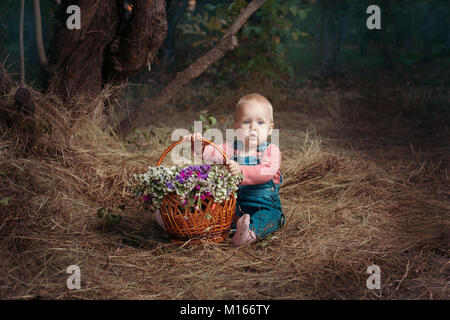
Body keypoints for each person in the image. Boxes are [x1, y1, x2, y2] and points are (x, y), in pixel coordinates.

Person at [185, 93, 285, 246]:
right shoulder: (231, 148)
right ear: (236, 127)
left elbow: (265, 172)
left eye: (260, 122)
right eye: (246, 122)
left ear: (270, 129)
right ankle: (184, 218)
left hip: (264, 204)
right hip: (235, 205)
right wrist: (199, 145)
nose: (253, 128)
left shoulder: (271, 150)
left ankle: (249, 234)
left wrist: (242, 171)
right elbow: (212, 154)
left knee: (269, 217)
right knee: (217, 209)